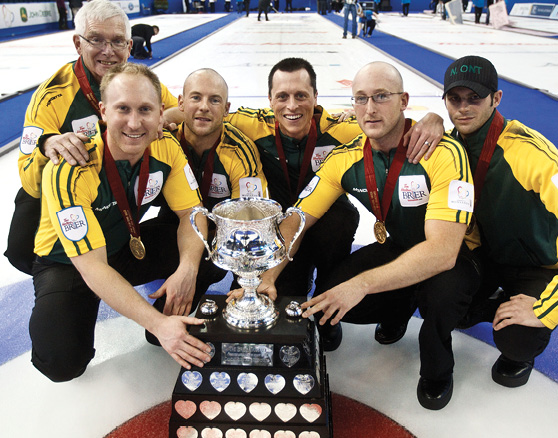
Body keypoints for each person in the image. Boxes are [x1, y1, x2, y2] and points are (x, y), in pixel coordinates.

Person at [252, 61, 477, 411]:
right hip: (400, 247)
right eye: (361, 99)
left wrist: (361, 285)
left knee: (441, 296)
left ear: (403, 100)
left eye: (381, 97)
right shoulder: (346, 157)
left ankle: (436, 370)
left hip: (455, 257)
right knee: (333, 301)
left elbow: (443, 252)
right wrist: (266, 278)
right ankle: (399, 307)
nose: (370, 109)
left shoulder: (442, 152)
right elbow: (298, 218)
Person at [30, 63, 217, 382]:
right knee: (61, 364)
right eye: (123, 109)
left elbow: (192, 213)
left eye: (145, 109)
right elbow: (92, 267)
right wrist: (156, 325)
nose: (134, 122)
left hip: (122, 246)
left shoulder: (165, 147)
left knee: (212, 246)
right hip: (69, 264)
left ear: (161, 113)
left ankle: (169, 316)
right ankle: (157, 323)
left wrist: (187, 268)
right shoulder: (71, 167)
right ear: (103, 111)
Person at [226, 57, 445, 300]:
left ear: (315, 97)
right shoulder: (249, 123)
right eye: (282, 97)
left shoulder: (343, 129)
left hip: (325, 223)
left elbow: (392, 124)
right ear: (269, 100)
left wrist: (434, 119)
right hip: (279, 227)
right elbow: (199, 116)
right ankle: (298, 275)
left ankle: (327, 289)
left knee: (340, 221)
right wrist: (173, 115)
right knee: (283, 293)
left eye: (301, 96)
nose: (292, 106)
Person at [6, 0, 181, 276]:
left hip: (123, 177)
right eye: (96, 40)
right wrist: (47, 145)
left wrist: (162, 119)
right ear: (78, 44)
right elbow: (28, 176)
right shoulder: (53, 95)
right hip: (67, 184)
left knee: (181, 154)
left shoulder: (139, 82)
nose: (108, 52)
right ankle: (70, 278)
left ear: (129, 46)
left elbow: (175, 109)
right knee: (21, 250)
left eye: (117, 41)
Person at [442, 55, 558, 388]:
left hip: (543, 266)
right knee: (449, 303)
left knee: (518, 338)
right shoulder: (450, 148)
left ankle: (520, 341)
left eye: (475, 98)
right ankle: (499, 301)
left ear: (497, 98)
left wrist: (545, 309)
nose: (464, 108)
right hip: (491, 257)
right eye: (455, 99)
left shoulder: (530, 154)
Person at [165, 68, 268, 216]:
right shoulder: (167, 143)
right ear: (181, 103)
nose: (204, 107)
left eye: (214, 100)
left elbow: (249, 219)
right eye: (196, 98)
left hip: (225, 228)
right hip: (174, 224)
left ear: (226, 109)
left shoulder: (240, 151)